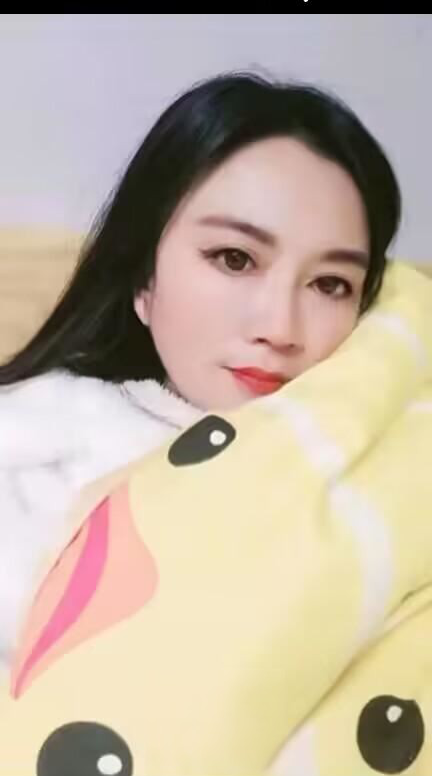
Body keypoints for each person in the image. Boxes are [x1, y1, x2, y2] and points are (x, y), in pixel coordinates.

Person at [0, 71, 401, 663]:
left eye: (329, 284)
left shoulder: (389, 471)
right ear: (144, 276)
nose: (280, 328)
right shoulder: (33, 451)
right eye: (235, 259)